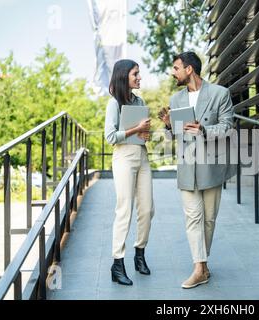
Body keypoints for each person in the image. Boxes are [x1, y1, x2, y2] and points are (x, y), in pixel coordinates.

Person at [159, 52, 236, 289]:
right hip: (187, 166)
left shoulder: (220, 94)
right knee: (193, 217)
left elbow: (228, 126)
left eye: (176, 68)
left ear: (189, 69)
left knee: (209, 219)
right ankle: (199, 267)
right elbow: (174, 137)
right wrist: (168, 126)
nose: (173, 73)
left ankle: (202, 265)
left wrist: (204, 129)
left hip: (211, 165)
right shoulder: (175, 99)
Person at [104, 59, 155, 286]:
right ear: (125, 76)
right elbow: (110, 137)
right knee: (124, 210)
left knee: (147, 209)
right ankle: (117, 264)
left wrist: (145, 134)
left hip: (142, 156)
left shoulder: (140, 100)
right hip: (123, 158)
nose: (139, 77)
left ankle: (140, 253)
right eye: (136, 73)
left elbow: (142, 135)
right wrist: (136, 128)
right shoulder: (114, 103)